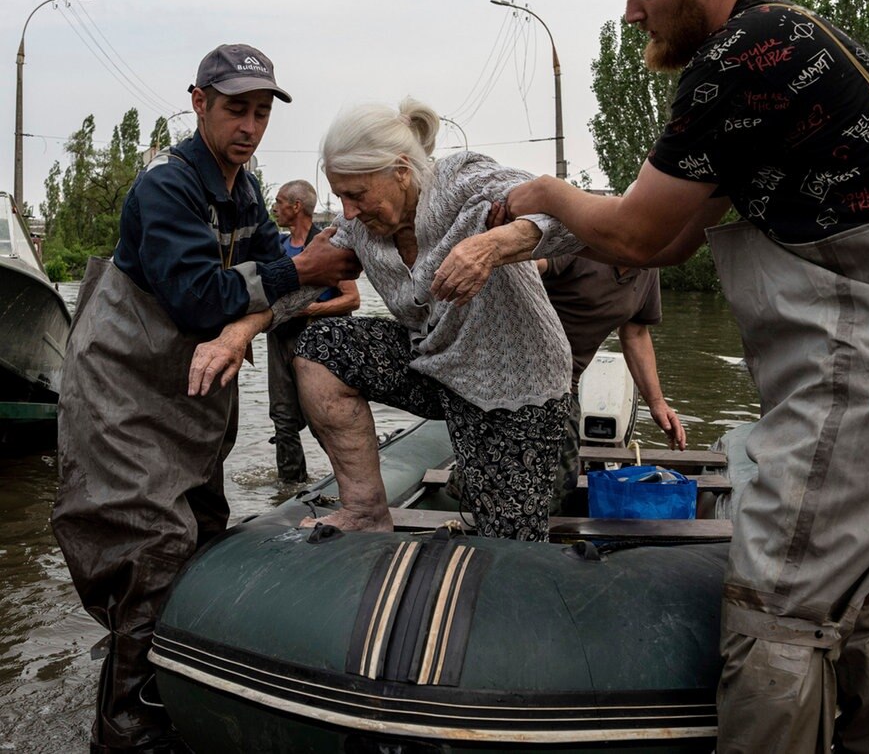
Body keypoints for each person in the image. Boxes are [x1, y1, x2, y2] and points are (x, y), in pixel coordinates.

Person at [438, 0, 869, 754]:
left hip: (867, 363)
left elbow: (641, 228)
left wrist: (541, 196)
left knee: (778, 609)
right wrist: (565, 222)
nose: (631, 11)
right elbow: (671, 243)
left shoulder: (739, 58)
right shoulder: (791, 47)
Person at [51, 43, 360, 754]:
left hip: (189, 390)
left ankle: (167, 685)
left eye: (259, 112)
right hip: (123, 387)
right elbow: (196, 298)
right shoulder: (166, 184)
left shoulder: (246, 191)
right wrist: (298, 268)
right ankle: (126, 729)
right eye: (234, 110)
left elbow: (246, 290)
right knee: (149, 544)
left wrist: (290, 276)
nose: (249, 126)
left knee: (202, 529)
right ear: (198, 103)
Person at [191, 97, 582, 543]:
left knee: (508, 542)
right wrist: (239, 332)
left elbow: (570, 216)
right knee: (321, 347)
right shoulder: (360, 228)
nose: (349, 211)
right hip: (436, 367)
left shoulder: (461, 179)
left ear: (400, 171)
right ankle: (364, 509)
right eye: (340, 196)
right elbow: (300, 287)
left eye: (357, 194)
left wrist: (492, 246)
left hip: (515, 383)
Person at [538, 255, 685, 513]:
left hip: (563, 382)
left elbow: (636, 333)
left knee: (561, 480)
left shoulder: (649, 267)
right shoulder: (581, 240)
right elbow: (526, 262)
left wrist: (657, 402)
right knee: (543, 476)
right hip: (513, 369)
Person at [267, 180, 360, 482]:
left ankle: (350, 481)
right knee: (282, 417)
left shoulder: (325, 244)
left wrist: (310, 309)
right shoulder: (278, 247)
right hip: (279, 337)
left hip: (315, 342)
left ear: (296, 207)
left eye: (279, 202)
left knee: (321, 418)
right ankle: (290, 486)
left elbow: (352, 299)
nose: (275, 208)